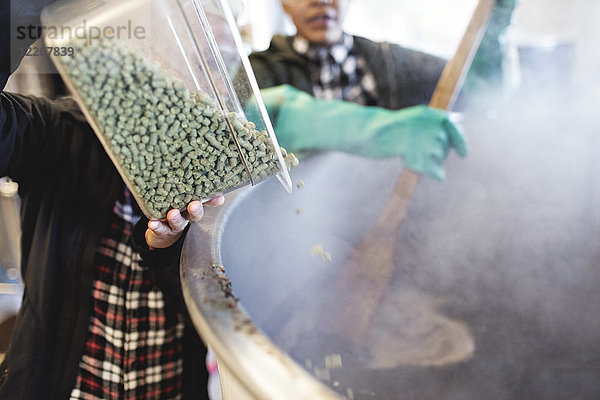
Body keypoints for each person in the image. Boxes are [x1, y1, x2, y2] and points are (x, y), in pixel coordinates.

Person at [0, 1, 224, 399]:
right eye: (177, 51)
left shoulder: (224, 173)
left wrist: (167, 251)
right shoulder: (58, 131)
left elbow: (221, 316)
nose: (191, 79)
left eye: (211, 62)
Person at [248, 0, 468, 181]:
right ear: (283, 4)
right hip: (300, 207)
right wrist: (380, 130)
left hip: (376, 197)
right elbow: (259, 117)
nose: (320, 1)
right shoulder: (256, 70)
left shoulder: (389, 59)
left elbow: (468, 83)